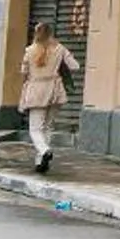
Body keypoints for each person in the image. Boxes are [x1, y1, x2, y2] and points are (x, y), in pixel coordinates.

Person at [20, 21, 78, 174]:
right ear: (51, 33)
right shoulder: (59, 49)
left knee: (35, 128)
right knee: (48, 127)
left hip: (36, 90)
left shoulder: (30, 50)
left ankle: (44, 151)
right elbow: (75, 66)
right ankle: (40, 162)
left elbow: (23, 71)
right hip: (55, 90)